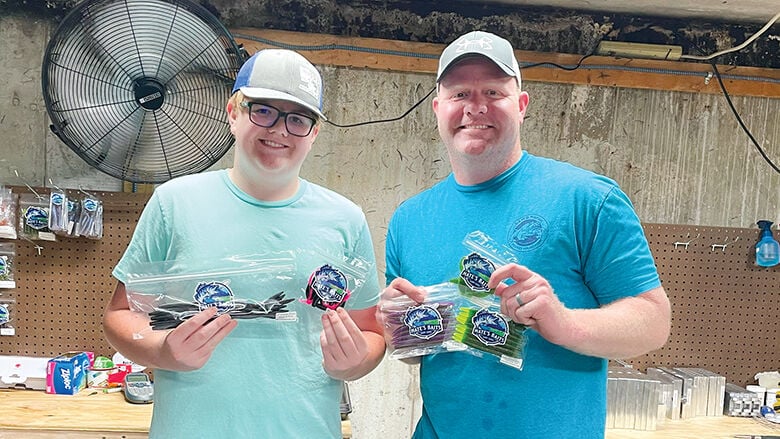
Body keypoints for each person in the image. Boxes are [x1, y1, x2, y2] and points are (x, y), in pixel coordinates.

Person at [378, 30, 671, 438]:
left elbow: (654, 322)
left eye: (493, 92)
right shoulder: (409, 219)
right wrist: (397, 328)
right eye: (460, 94)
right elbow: (417, 353)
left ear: (521, 105)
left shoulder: (587, 199)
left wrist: (564, 322)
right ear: (438, 108)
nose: (475, 107)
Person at [103, 49, 385, 438]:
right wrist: (162, 350)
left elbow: (371, 333)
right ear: (233, 113)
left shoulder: (345, 219)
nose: (280, 130)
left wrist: (353, 362)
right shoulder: (174, 203)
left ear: (314, 133)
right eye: (263, 111)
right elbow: (121, 315)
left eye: (298, 119)